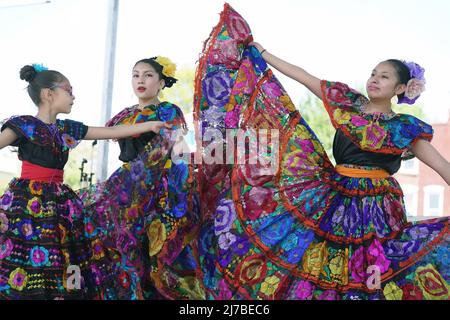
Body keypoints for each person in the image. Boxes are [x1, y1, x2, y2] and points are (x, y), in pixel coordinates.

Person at [195, 3, 450, 300]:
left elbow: (443, 167)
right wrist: (264, 55)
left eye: (384, 76)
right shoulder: (348, 103)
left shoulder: (405, 127)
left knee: (370, 272)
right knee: (318, 263)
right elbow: (305, 77)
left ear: (400, 88)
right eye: (373, 73)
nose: (375, 79)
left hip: (378, 207)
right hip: (335, 196)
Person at [0, 64, 171, 299]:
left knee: (62, 259)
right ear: (49, 94)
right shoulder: (24, 125)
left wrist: (150, 125)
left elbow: (110, 132)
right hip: (25, 203)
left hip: (59, 205)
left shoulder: (66, 128)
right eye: (69, 91)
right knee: (23, 257)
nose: (74, 96)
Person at [79, 56, 203, 300]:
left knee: (159, 256)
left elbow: (178, 153)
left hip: (160, 194)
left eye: (147, 75)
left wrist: (184, 192)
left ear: (161, 82)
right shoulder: (124, 116)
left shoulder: (168, 111)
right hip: (127, 193)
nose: (140, 80)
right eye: (136, 75)